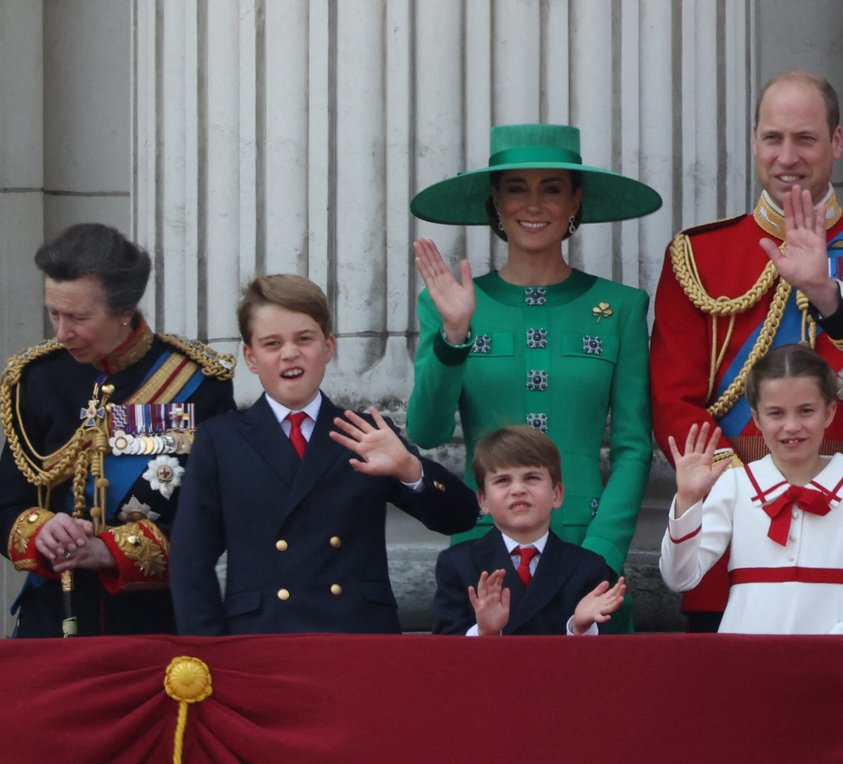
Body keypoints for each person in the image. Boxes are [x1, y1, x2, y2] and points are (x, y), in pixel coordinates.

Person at [650, 69, 843, 632]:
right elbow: (671, 402)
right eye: (772, 138)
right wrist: (755, 489)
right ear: (754, 140)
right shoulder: (699, 254)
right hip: (731, 533)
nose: (787, 156)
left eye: (805, 138)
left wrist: (831, 297)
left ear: (836, 142)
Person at [408, 123, 660, 630]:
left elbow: (635, 446)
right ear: (495, 203)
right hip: (483, 549)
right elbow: (426, 431)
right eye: (516, 188)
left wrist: (601, 553)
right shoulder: (451, 304)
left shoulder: (622, 308)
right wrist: (455, 334)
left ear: (576, 202)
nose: (534, 204)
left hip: (588, 547)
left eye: (552, 189)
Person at [170, 275, 479, 634]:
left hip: (357, 640)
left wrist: (409, 469)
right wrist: (210, 655)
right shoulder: (220, 440)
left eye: (304, 339)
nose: (290, 353)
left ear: (328, 347)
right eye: (272, 343)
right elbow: (190, 560)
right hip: (261, 641)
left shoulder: (364, 431)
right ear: (251, 358)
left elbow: (461, 517)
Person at [1, 223, 236, 638]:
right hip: (53, 622)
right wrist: (42, 530)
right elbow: (6, 503)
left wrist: (109, 551)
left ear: (124, 310)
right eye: (53, 313)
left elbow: (215, 518)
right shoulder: (38, 378)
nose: (61, 332)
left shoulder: (198, 383)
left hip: (155, 623)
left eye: (78, 317)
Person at [659, 343, 843, 634]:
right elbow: (679, 578)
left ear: (829, 412)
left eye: (806, 411)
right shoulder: (736, 484)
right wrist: (688, 500)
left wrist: (835, 650)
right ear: (757, 419)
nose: (792, 426)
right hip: (746, 659)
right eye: (776, 414)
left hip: (831, 660)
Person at [433, 425, 625, 636]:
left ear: (557, 494)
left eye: (531, 478)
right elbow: (445, 656)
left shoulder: (587, 567)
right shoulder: (458, 564)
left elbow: (601, 661)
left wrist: (578, 627)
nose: (518, 490)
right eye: (502, 480)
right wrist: (484, 632)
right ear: (483, 501)